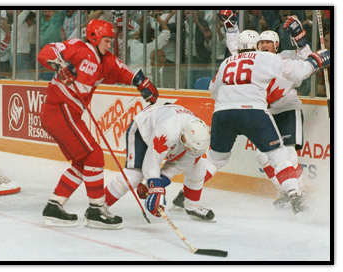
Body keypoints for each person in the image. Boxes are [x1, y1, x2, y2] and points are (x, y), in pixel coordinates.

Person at [173, 26, 330, 216]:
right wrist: (316, 60)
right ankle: (295, 196)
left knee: (215, 159)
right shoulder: (266, 58)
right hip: (252, 111)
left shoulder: (227, 62)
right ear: (256, 45)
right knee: (278, 155)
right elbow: (299, 73)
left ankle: (186, 194)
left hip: (222, 113)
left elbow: (213, 90)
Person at [37, 19, 159, 229]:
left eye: (111, 40)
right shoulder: (78, 47)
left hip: (64, 113)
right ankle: (96, 210)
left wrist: (141, 83)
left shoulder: (106, 61)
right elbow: (45, 52)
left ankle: (54, 206)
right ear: (93, 36)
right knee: (94, 154)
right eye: (106, 39)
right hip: (60, 109)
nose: (109, 44)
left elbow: (123, 70)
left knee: (82, 162)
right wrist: (60, 64)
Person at [222, 11, 313, 209]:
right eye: (261, 43)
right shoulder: (255, 62)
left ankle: (300, 192)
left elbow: (307, 62)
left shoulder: (285, 57)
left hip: (288, 110)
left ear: (277, 45)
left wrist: (300, 40)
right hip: (267, 114)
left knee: (288, 153)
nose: (264, 46)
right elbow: (234, 52)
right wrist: (231, 29)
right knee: (262, 156)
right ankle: (285, 190)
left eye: (268, 43)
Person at [104, 104, 215, 221]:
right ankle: (98, 208)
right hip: (144, 129)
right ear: (183, 136)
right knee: (134, 176)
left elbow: (174, 168)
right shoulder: (167, 131)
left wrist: (150, 188)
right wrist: (155, 189)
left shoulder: (199, 139)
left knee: (198, 169)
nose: (190, 152)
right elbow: (152, 160)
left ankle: (193, 206)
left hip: (171, 126)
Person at [10, 10, 36, 79]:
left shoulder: (27, 28)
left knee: (28, 78)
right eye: (32, 20)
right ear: (28, 19)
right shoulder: (19, 23)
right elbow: (26, 11)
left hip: (22, 57)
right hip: (19, 57)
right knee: (25, 80)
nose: (32, 23)